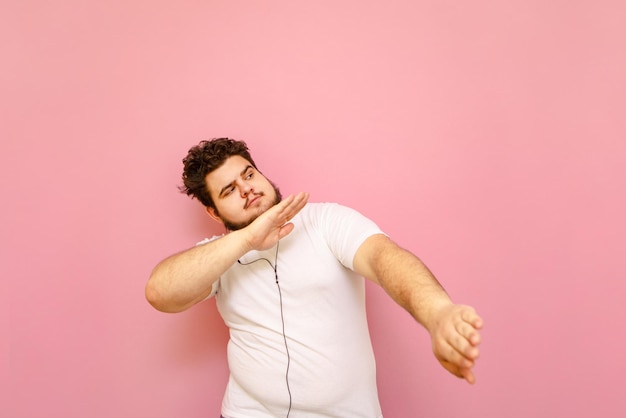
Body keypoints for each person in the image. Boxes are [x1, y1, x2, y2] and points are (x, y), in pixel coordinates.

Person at [145, 138, 483, 418]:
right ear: (213, 212)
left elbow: (386, 260)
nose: (247, 189)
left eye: (248, 175)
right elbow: (160, 292)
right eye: (229, 190)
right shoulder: (219, 255)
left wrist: (437, 313)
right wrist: (247, 239)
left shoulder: (327, 222)